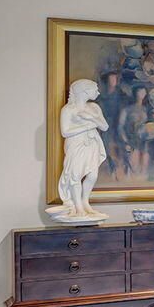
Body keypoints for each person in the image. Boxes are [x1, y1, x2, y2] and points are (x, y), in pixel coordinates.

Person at [46, 79, 109, 224]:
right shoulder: (68, 110)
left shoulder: (94, 108)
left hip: (92, 143)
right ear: (85, 91)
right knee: (75, 175)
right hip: (76, 144)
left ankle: (85, 202)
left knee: (92, 175)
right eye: (95, 89)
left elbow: (104, 126)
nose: (98, 92)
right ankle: (78, 207)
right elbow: (65, 132)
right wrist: (88, 125)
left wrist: (91, 118)